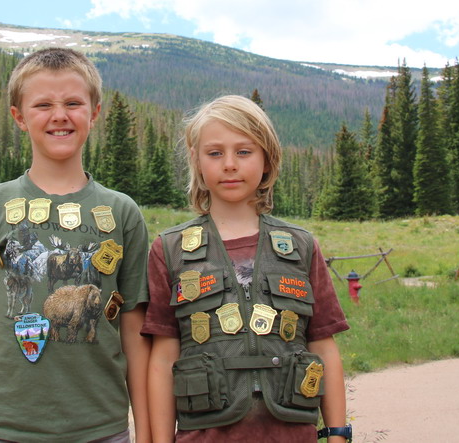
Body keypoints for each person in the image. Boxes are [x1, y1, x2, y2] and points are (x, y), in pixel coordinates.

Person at [0, 47, 151, 443]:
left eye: (73, 103)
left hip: (101, 426)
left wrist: (148, 431)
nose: (60, 115)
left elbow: (134, 328)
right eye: (43, 105)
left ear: (95, 112)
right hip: (5, 427)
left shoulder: (123, 212)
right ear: (19, 116)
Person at [144, 95, 351, 442]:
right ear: (196, 161)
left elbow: (324, 346)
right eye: (214, 153)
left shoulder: (301, 246)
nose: (229, 164)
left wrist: (339, 434)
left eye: (244, 151)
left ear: (267, 159)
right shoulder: (170, 249)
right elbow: (163, 358)